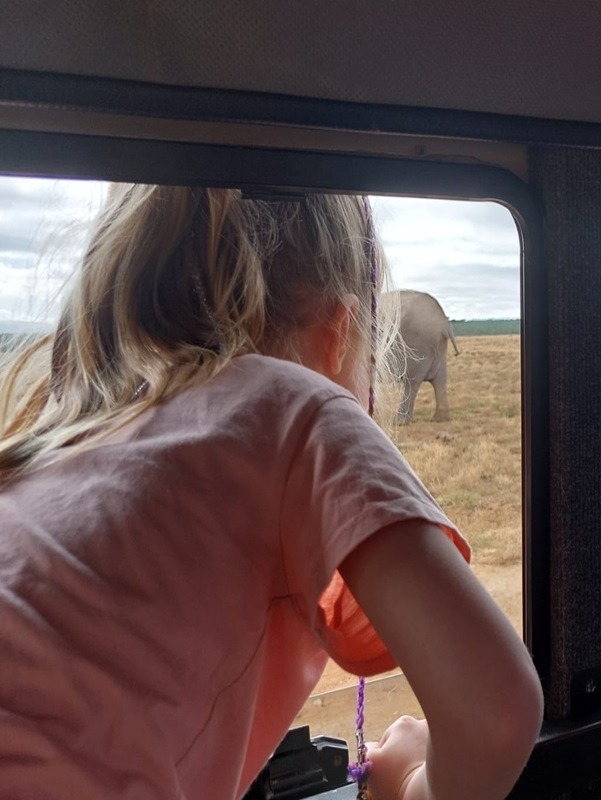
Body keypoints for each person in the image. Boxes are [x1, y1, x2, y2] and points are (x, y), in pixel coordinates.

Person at [0, 186, 543, 799]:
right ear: (339, 330)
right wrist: (414, 786)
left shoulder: (48, 447)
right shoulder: (290, 407)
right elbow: (496, 715)